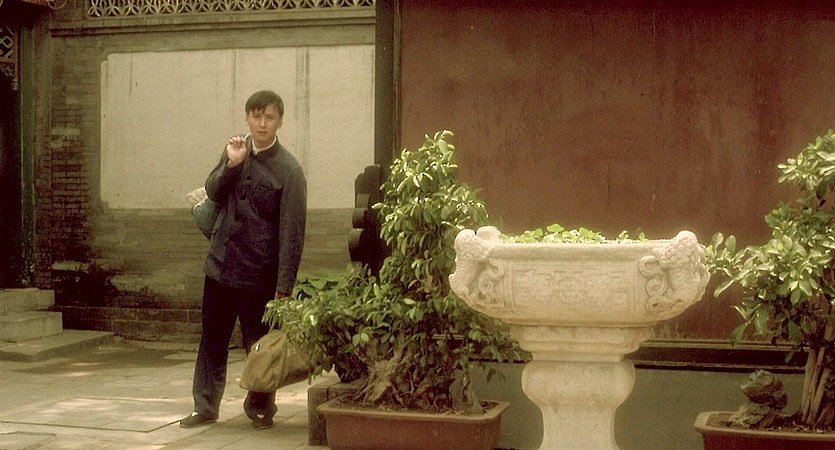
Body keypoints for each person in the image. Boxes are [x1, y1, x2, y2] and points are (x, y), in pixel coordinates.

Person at [180, 90, 307, 431]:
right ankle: (205, 406)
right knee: (212, 341)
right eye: (256, 115)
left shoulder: (290, 170)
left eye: (269, 117)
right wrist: (231, 165)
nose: (262, 123)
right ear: (247, 118)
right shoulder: (235, 151)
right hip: (220, 267)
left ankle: (261, 408)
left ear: (279, 121)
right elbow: (212, 190)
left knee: (260, 346)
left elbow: (292, 235)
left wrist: (284, 287)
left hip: (259, 276)